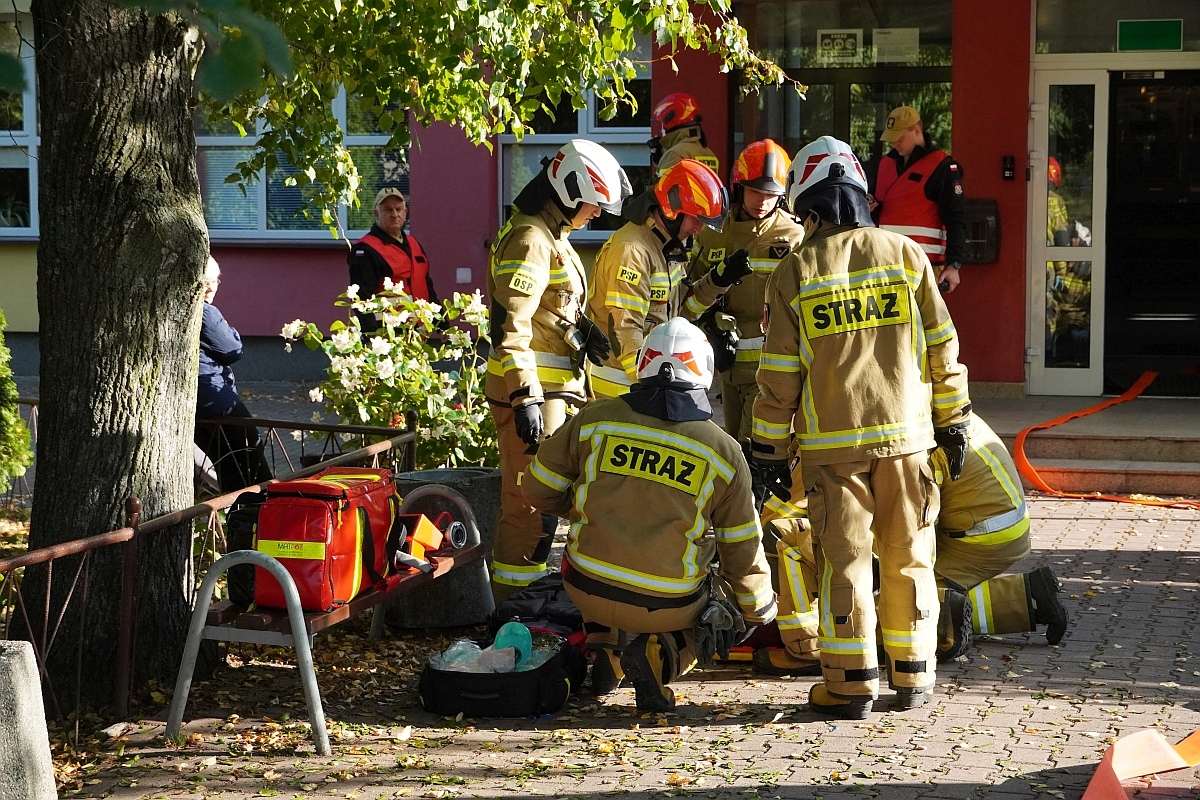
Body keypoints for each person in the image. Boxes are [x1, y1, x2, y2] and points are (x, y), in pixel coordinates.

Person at [750, 136, 972, 719]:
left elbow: (777, 377)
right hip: (909, 442)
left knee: (845, 560)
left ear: (814, 208)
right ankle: (913, 674)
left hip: (833, 450)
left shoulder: (796, 270)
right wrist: (955, 421)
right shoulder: (906, 256)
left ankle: (849, 685)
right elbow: (942, 348)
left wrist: (768, 452)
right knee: (909, 555)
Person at [522, 317, 776, 712]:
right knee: (731, 606)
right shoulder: (723, 452)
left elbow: (537, 489)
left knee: (604, 554)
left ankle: (606, 650)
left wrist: (586, 508)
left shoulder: (595, 419)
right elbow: (741, 548)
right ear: (704, 371)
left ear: (643, 363)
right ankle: (662, 657)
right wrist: (757, 609)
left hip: (584, 585)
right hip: (667, 604)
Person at [752, 414, 1070, 676]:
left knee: (894, 603)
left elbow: (787, 513)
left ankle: (808, 649)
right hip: (997, 526)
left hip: (978, 533)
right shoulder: (909, 400)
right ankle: (1030, 597)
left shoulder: (841, 424)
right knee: (915, 590)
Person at [486, 140, 632, 603]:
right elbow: (511, 327)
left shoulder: (553, 236)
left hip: (554, 392)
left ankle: (530, 598)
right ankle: (512, 606)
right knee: (530, 505)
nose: (598, 215)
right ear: (571, 191)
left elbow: (550, 309)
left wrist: (582, 330)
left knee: (549, 500)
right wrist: (524, 397)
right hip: (533, 394)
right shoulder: (531, 239)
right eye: (594, 203)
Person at [684, 139, 806, 440]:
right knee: (732, 442)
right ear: (739, 188)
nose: (762, 201)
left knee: (750, 446)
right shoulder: (713, 233)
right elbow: (689, 291)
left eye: (771, 194)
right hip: (726, 367)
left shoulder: (794, 236)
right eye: (755, 191)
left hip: (771, 368)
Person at [585, 159, 727, 399]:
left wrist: (718, 281)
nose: (698, 229)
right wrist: (650, 385)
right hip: (621, 387)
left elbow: (681, 313)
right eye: (696, 219)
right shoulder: (632, 250)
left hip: (647, 381)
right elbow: (625, 329)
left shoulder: (665, 247)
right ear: (672, 210)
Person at [195, 256, 272, 493]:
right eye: (204, 282)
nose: (210, 288)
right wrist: (232, 331)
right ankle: (262, 514)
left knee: (227, 466)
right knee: (253, 464)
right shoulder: (206, 312)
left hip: (197, 405)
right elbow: (232, 349)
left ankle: (238, 518)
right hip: (218, 402)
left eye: (215, 281)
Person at [869, 106, 966, 293]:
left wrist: (954, 265)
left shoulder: (942, 166)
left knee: (925, 322)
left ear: (916, 131)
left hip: (924, 266)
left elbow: (956, 218)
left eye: (900, 137)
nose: (895, 143)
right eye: (891, 138)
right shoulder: (885, 164)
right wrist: (871, 204)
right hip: (884, 264)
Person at [347, 188, 437, 329]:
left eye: (398, 209)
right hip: (386, 335)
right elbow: (361, 299)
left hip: (418, 332)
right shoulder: (366, 250)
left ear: (405, 212)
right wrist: (372, 338)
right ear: (376, 214)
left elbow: (426, 285)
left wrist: (442, 325)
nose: (395, 215)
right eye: (388, 210)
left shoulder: (413, 243)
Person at [649, 92, 720, 175]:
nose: (661, 130)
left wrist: (666, 158)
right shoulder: (710, 154)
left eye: (662, 124)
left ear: (671, 121)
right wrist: (662, 159)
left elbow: (663, 186)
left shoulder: (675, 154)